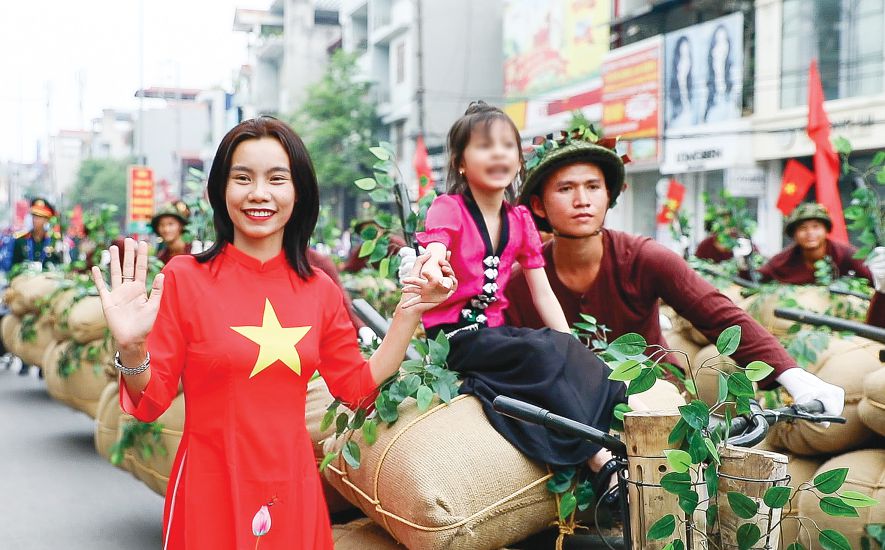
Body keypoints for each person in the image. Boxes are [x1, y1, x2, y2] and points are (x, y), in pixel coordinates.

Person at [91, 117, 455, 549]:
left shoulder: (318, 289)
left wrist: (408, 312)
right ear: (221, 191)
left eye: (276, 179)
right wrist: (132, 348)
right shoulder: (184, 278)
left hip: (292, 492)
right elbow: (150, 403)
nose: (259, 193)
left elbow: (356, 388)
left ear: (297, 191)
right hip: (209, 489)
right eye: (242, 177)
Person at [500, 126, 844, 425]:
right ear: (539, 205)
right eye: (565, 189)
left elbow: (718, 313)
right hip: (563, 414)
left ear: (610, 196)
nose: (582, 200)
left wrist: (792, 375)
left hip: (654, 398)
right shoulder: (520, 283)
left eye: (593, 187)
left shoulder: (645, 258)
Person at [413, 102, 627, 489]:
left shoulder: (520, 219)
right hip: (455, 338)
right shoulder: (449, 208)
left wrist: (572, 345)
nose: (498, 153)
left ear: (517, 158)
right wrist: (433, 264)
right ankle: (596, 454)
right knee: (542, 349)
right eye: (484, 146)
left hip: (494, 335)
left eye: (507, 145)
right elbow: (437, 244)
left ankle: (624, 423)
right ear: (461, 163)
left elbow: (542, 292)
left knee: (560, 349)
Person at [756, 203, 872, 284]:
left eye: (816, 227)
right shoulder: (784, 260)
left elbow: (875, 281)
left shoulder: (847, 254)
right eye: (802, 228)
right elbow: (756, 277)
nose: (810, 233)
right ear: (794, 234)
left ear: (826, 230)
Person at [11, 198, 62, 269]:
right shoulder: (21, 240)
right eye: (34, 216)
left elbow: (59, 267)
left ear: (47, 220)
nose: (35, 220)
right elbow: (14, 268)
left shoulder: (54, 241)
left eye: (40, 217)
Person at [151, 200, 193, 265]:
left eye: (171, 224)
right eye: (162, 225)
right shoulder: (161, 258)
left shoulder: (195, 250)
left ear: (181, 226)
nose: (166, 229)